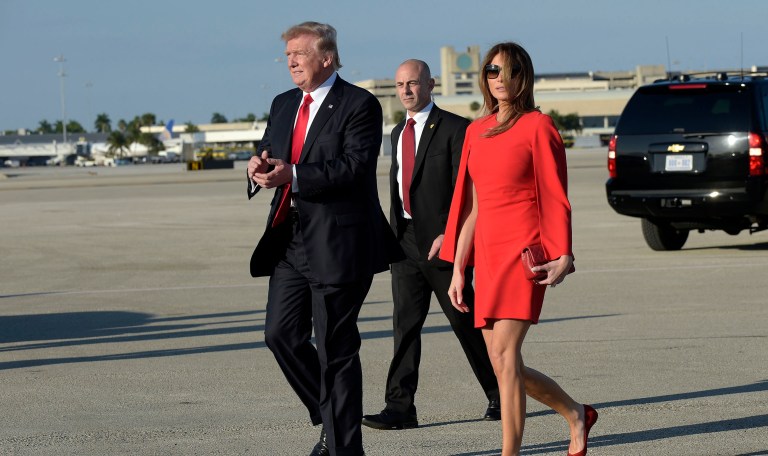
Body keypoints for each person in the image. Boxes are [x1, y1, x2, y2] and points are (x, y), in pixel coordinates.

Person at [247, 21, 400, 456]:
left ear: (327, 58)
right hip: (290, 241)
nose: (291, 61)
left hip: (338, 245)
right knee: (280, 334)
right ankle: (334, 421)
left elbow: (354, 168)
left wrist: (293, 174)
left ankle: (343, 448)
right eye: (288, 55)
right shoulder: (282, 104)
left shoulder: (358, 104)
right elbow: (268, 151)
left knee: (336, 348)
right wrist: (255, 169)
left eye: (300, 53)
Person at [440, 42, 599, 456]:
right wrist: (459, 268)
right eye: (493, 71)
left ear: (523, 77)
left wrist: (564, 253)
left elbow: (554, 193)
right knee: (501, 362)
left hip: (524, 253)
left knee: (506, 355)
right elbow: (473, 208)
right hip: (488, 256)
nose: (501, 80)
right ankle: (576, 412)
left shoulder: (538, 127)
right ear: (484, 78)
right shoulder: (475, 131)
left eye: (510, 72)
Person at [362, 59, 500, 431]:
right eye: (400, 85)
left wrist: (450, 234)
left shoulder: (456, 129)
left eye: (413, 83)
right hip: (404, 243)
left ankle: (500, 392)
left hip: (443, 244)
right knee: (404, 326)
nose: (406, 90)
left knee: (464, 322)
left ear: (431, 84)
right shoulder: (396, 133)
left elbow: (465, 189)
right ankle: (400, 407)